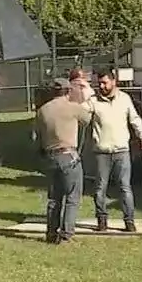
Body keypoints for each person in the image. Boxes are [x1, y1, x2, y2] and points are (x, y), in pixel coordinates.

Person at [88, 68, 142, 233]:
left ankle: (129, 221)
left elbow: (134, 119)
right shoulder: (93, 101)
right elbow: (83, 118)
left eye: (105, 82)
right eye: (99, 83)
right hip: (102, 151)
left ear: (114, 82)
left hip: (122, 150)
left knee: (125, 187)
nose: (101, 86)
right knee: (100, 188)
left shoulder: (124, 99)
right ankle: (102, 221)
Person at [35, 77, 94, 244]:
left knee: (54, 198)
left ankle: (51, 233)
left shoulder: (42, 111)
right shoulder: (72, 108)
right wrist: (86, 95)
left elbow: (37, 136)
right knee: (72, 197)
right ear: (68, 91)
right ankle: (67, 234)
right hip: (69, 156)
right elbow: (88, 119)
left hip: (50, 157)